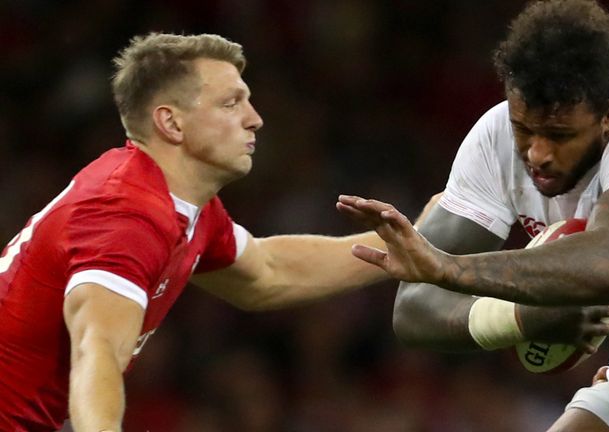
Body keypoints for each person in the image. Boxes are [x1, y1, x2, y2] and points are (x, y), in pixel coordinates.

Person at [338, 0, 609, 431]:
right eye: (525, 129)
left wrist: (448, 270)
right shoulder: (496, 140)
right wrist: (522, 319)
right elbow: (413, 310)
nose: (537, 154)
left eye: (559, 135)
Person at [0, 32, 440, 432]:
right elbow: (98, 350)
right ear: (171, 123)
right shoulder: (126, 215)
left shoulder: (184, 205)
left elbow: (268, 273)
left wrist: (403, 244)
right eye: (231, 104)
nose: (255, 119)